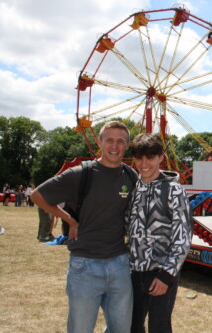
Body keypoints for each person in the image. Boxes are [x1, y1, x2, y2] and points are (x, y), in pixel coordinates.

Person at [30, 120, 137, 333]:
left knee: (122, 329)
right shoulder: (81, 174)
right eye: (109, 140)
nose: (114, 146)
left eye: (120, 141)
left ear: (126, 146)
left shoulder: (130, 176)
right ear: (99, 142)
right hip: (85, 265)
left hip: (120, 264)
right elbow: (37, 195)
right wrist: (69, 220)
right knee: (81, 328)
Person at [126, 133, 193, 333]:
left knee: (159, 327)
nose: (144, 163)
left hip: (160, 273)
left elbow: (183, 236)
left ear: (160, 158)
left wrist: (166, 275)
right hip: (133, 272)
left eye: (150, 157)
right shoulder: (134, 187)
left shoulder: (173, 190)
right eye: (139, 158)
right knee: (132, 326)